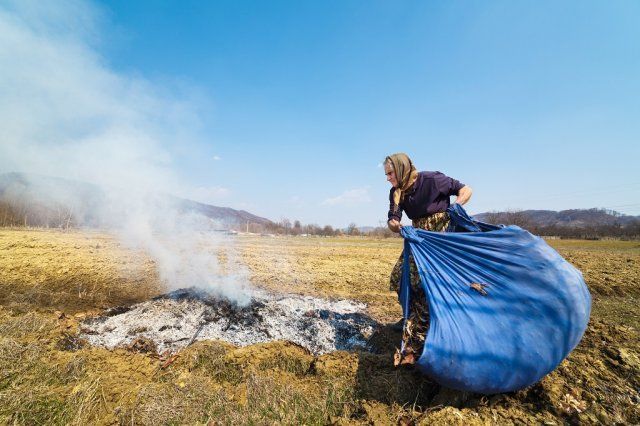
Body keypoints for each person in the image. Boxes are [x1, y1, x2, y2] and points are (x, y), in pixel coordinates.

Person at [384, 152, 472, 366]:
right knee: (400, 276)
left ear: (402, 169)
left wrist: (457, 206)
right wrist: (395, 224)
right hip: (419, 236)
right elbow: (393, 220)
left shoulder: (433, 180)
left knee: (427, 284)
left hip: (441, 235)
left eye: (390, 173)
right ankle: (412, 318)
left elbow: (465, 189)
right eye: (386, 174)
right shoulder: (397, 192)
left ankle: (427, 330)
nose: (388, 178)